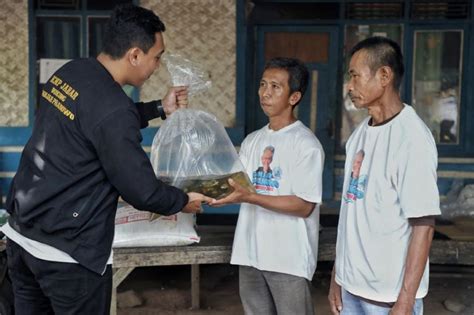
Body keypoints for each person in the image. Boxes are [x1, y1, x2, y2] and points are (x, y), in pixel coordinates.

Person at [2, 4, 212, 314]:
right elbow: (142, 191)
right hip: (68, 256)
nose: (157, 66)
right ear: (135, 55)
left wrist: (158, 108)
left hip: (23, 236)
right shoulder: (113, 109)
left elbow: (97, 125)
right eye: (157, 57)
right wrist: (182, 200)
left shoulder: (72, 72)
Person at [328, 37, 441, 315]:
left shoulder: (411, 138)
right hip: (350, 290)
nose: (350, 86)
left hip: (389, 298)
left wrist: (405, 300)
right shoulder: (359, 136)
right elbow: (349, 214)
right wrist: (337, 277)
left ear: (384, 76)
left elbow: (423, 225)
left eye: (355, 76)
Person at [211, 57, 325, 315]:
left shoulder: (306, 145)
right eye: (263, 84)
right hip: (250, 253)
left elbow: (304, 205)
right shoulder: (253, 141)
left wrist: (251, 197)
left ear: (294, 97)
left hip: (287, 258)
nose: (265, 92)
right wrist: (192, 195)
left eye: (275, 86)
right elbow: (233, 184)